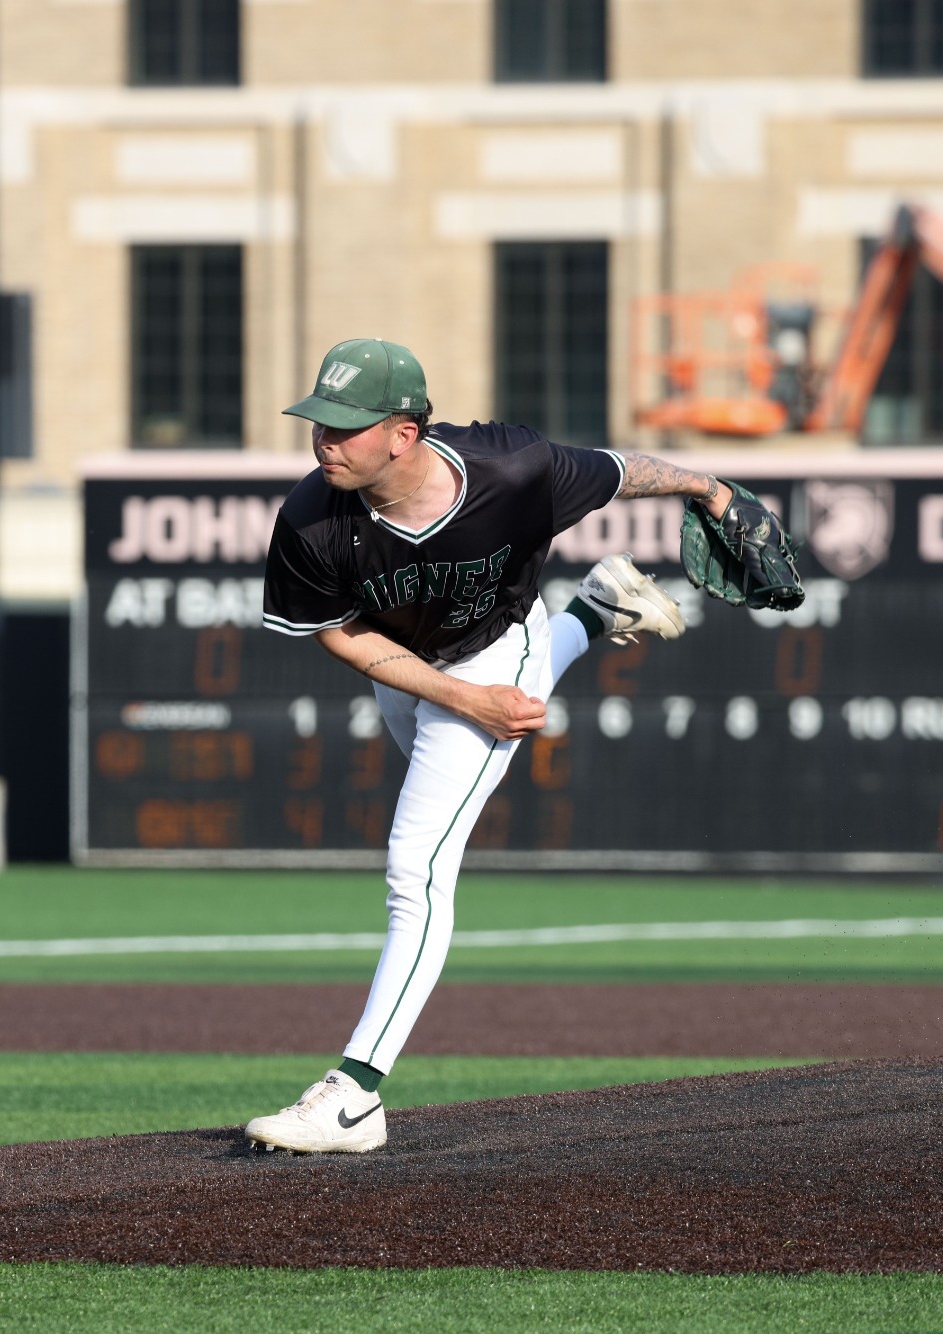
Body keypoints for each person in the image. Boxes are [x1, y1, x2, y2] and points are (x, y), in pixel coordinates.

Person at [244, 338, 736, 1153]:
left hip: (494, 646)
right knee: (429, 818)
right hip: (410, 667)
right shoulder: (310, 517)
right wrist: (460, 700)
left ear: (403, 433)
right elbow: (336, 631)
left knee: (417, 868)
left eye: (344, 426)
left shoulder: (512, 469)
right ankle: (595, 612)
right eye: (318, 423)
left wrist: (709, 489)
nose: (323, 440)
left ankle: (355, 1096)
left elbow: (621, 471)